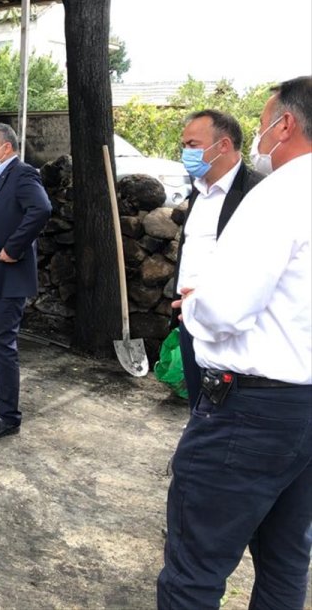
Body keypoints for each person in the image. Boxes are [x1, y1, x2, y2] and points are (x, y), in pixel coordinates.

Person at [157, 76, 312, 609]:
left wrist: (196, 304)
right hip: (302, 406)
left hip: (252, 408)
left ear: (285, 124)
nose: (261, 135)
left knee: (195, 567)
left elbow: (226, 308)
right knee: (286, 558)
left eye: (265, 122)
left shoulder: (279, 193)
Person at [171, 110, 264, 410]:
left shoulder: (256, 192)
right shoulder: (199, 191)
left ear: (223, 145)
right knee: (197, 405)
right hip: (189, 318)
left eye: (193, 145)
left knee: (225, 411)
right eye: (184, 145)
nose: (186, 153)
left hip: (229, 328)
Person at [0, 121, 52, 439]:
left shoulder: (22, 174)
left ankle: (8, 416)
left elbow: (41, 209)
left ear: (6, 147)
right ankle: (1, 401)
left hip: (7, 275)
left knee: (2, 345)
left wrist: (14, 248)